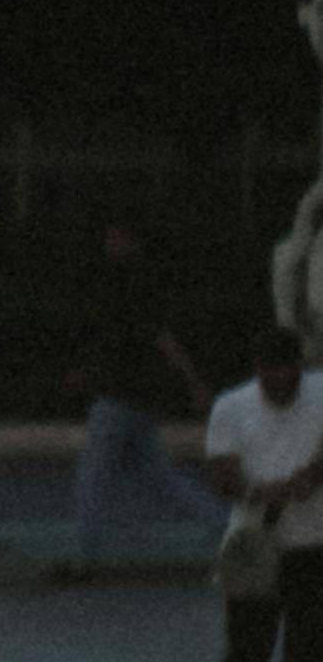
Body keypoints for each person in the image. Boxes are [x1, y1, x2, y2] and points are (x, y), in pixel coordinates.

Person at [202, 320, 323, 662]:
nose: (282, 382)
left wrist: (311, 475)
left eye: (290, 371)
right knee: (246, 656)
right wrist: (267, 490)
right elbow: (222, 478)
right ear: (258, 371)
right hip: (254, 547)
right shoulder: (232, 408)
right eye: (272, 373)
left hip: (314, 547)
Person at [73, 220, 206, 566]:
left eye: (116, 236)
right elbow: (158, 338)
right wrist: (190, 381)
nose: (109, 241)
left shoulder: (126, 283)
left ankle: (86, 555)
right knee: (162, 480)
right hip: (139, 395)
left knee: (93, 477)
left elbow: (152, 337)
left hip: (120, 393)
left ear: (131, 240)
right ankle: (226, 527)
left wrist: (191, 380)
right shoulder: (142, 282)